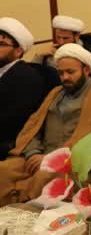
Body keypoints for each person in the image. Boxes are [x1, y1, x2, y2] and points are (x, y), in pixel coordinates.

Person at [0, 44, 91, 205]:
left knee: (43, 177)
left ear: (86, 70)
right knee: (4, 170)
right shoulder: (56, 92)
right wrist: (32, 152)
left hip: (73, 161)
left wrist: (50, 158)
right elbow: (34, 127)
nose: (65, 77)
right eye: (61, 73)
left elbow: (87, 137)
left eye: (70, 72)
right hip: (40, 155)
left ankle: (25, 214)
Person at [0, 19, 46, 153]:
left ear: (18, 51)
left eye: (1, 44)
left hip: (10, 143)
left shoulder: (28, 77)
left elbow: (14, 121)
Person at [23, 15, 91, 68]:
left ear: (77, 36)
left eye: (66, 38)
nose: (61, 42)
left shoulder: (89, 51)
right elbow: (32, 73)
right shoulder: (50, 51)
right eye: (58, 37)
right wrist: (39, 55)